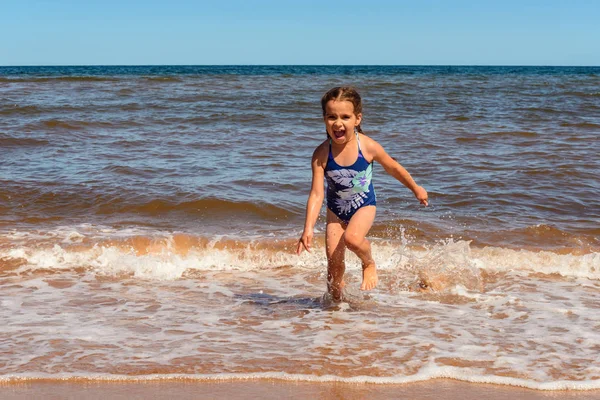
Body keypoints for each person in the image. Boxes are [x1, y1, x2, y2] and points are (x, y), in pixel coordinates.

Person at [296, 86, 429, 301]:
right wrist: (308, 228)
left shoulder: (367, 147)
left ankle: (368, 263)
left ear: (357, 119)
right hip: (335, 210)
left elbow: (393, 167)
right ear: (324, 119)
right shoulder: (321, 154)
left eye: (345, 117)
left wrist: (416, 188)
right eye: (331, 117)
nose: (338, 123)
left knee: (353, 239)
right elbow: (316, 194)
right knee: (334, 263)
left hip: (363, 204)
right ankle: (336, 307)